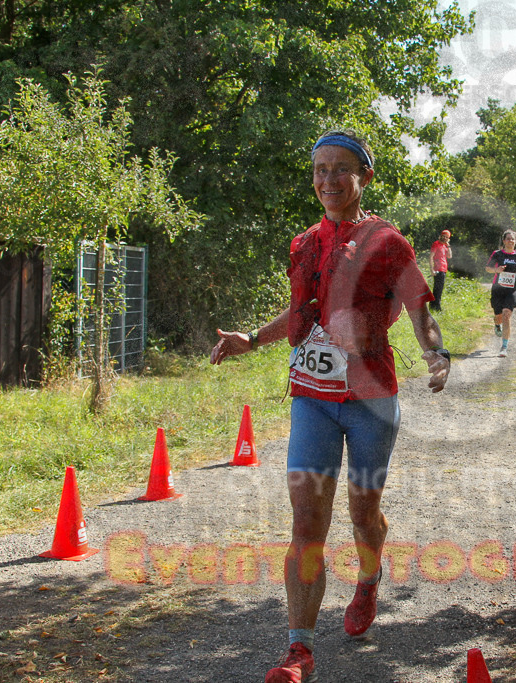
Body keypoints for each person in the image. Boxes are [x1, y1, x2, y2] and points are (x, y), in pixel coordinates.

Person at [209, 129, 451, 683]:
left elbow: (420, 306)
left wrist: (435, 353)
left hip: (372, 400)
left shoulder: (388, 243)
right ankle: (299, 650)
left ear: (365, 177)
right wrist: (253, 338)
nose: (329, 179)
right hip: (312, 399)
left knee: (363, 514)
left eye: (341, 169)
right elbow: (303, 315)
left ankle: (368, 578)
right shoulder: (304, 243)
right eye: (320, 169)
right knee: (307, 522)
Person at [485, 230, 516, 358]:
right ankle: (497, 324)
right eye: (508, 239)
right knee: (499, 316)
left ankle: (504, 347)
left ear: (515, 241)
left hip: (511, 289)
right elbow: (487, 268)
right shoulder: (497, 254)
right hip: (498, 289)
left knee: (506, 315)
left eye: (512, 239)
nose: (510, 241)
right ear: (504, 241)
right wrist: (496, 270)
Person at [429, 229, 452, 311]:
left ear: (448, 239)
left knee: (439, 289)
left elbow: (449, 256)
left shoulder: (445, 246)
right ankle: (437, 307)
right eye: (443, 236)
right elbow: (431, 257)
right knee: (438, 289)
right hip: (438, 269)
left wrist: (448, 246)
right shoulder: (436, 244)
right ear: (440, 236)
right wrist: (431, 269)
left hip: (443, 269)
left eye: (446, 237)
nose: (444, 238)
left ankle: (433, 306)